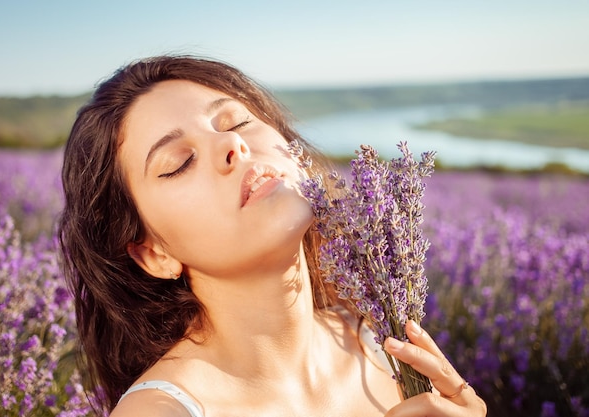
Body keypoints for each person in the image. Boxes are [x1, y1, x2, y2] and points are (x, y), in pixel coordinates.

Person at [58, 55, 486, 417]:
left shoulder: (380, 340)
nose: (231, 144)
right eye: (179, 162)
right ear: (153, 254)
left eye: (238, 121)